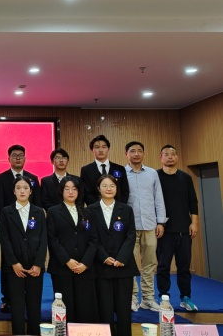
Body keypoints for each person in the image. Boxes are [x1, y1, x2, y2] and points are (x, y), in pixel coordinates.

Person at [0, 144, 42, 313]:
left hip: (30, 229)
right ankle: (7, 299)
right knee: (9, 264)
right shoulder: (1, 178)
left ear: (25, 158)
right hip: (9, 227)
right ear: (9, 158)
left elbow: (37, 204)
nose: (17, 158)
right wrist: (3, 229)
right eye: (14, 155)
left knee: (29, 261)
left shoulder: (33, 178)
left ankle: (28, 298)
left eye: (20, 155)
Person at [89, 175, 138, 336]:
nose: (108, 189)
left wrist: (122, 258)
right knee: (105, 309)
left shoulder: (126, 209)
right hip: (102, 267)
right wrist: (103, 257)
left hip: (123, 267)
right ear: (98, 189)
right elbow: (92, 237)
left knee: (124, 309)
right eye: (104, 186)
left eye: (112, 186)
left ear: (117, 189)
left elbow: (131, 235)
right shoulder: (91, 210)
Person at [47, 176, 99, 323]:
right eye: (67, 189)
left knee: (85, 309)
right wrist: (67, 260)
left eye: (74, 189)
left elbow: (94, 240)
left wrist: (85, 263)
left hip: (84, 268)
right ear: (61, 191)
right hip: (62, 268)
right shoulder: (53, 212)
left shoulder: (88, 212)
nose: (71, 192)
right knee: (65, 309)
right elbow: (52, 239)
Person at [0, 176, 47, 336]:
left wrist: (38, 264)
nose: (22, 191)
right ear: (14, 191)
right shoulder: (6, 212)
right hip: (14, 268)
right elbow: (4, 239)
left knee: (34, 306)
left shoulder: (39, 212)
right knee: (17, 306)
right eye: (18, 188)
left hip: (35, 267)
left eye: (25, 188)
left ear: (31, 191)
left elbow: (44, 239)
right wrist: (13, 263)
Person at [125, 140, 167, 312]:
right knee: (130, 264)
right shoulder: (121, 174)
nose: (136, 154)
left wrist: (161, 221)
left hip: (150, 225)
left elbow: (159, 198)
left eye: (139, 151)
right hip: (129, 227)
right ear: (126, 154)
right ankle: (132, 297)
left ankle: (148, 298)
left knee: (150, 263)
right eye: (132, 151)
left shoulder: (152, 173)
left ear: (143, 153)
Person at [156, 145, 200, 311]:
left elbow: (193, 201)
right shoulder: (155, 176)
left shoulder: (185, 177)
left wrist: (194, 223)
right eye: (166, 154)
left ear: (177, 157)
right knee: (163, 266)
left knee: (184, 266)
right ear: (161, 158)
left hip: (184, 229)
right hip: (163, 230)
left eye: (173, 154)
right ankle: (164, 298)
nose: (170, 157)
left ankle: (185, 298)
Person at [80, 135, 130, 205]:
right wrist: (99, 207)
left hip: (117, 208)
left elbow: (124, 191)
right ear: (92, 150)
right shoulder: (86, 170)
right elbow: (86, 193)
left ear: (108, 149)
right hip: (95, 209)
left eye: (104, 147)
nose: (101, 150)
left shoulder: (119, 168)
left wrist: (116, 207)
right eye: (97, 147)